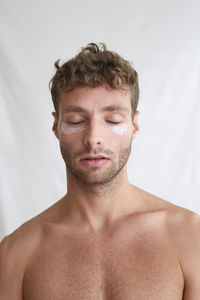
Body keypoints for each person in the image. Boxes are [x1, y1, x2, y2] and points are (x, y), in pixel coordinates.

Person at [0, 42, 199, 300]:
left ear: (134, 126)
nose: (94, 138)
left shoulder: (189, 237)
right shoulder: (16, 253)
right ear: (56, 126)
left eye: (112, 121)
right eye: (76, 121)